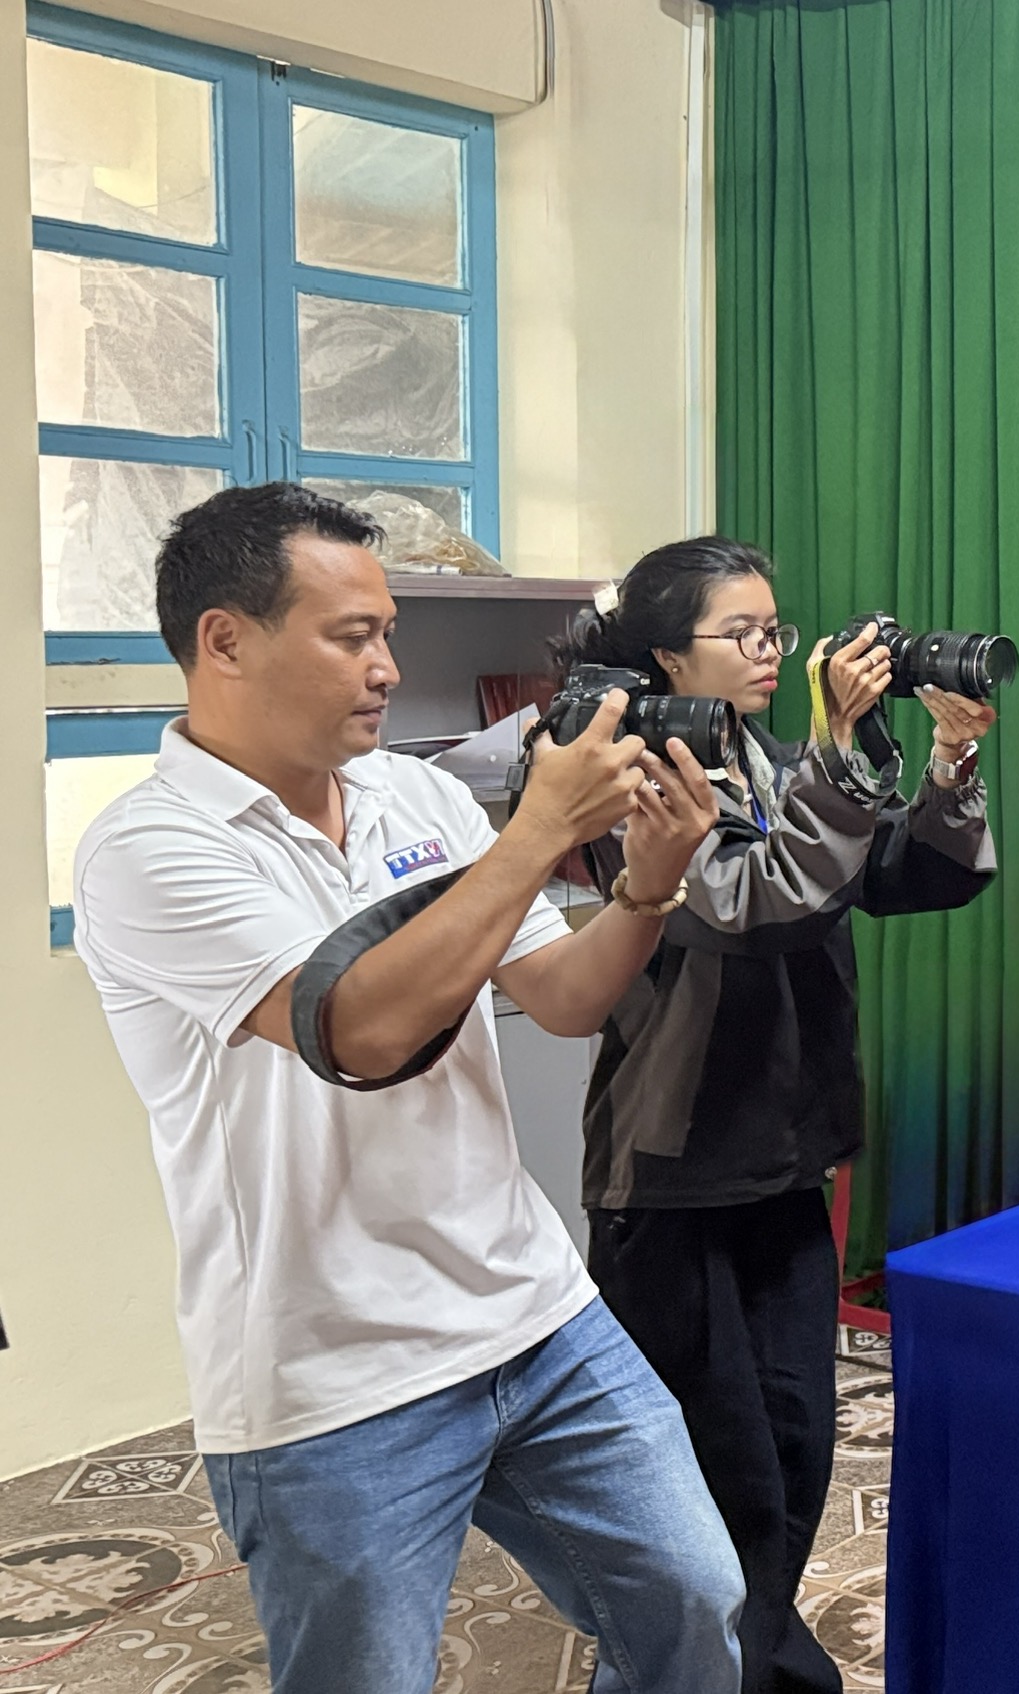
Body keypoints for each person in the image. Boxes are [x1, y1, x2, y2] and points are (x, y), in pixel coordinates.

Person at [71, 483, 747, 1694]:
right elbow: (363, 1029)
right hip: (333, 1375)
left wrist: (647, 884)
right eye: (352, 636)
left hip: (533, 1310)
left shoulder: (419, 797)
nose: (387, 666)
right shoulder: (149, 848)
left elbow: (564, 995)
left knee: (694, 1598)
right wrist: (536, 831)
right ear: (224, 640)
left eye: (388, 633)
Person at [558, 538, 998, 1694]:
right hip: (674, 1176)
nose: (772, 651)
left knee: (797, 1450)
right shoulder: (627, 778)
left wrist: (949, 755)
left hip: (784, 1159)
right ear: (668, 654)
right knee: (716, 1480)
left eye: (776, 629)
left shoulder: (776, 761)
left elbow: (907, 874)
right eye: (742, 633)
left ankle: (745, 1669)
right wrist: (841, 752)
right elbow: (754, 906)